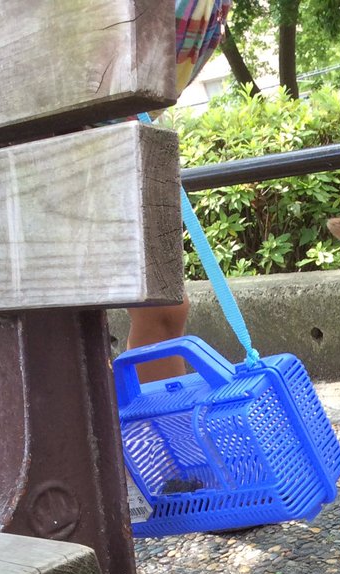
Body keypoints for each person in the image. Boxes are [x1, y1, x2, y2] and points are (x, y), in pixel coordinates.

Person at [127, 0, 233, 382]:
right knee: (159, 307)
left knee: (163, 307)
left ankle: (160, 439)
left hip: (121, 122)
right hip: (79, 116)